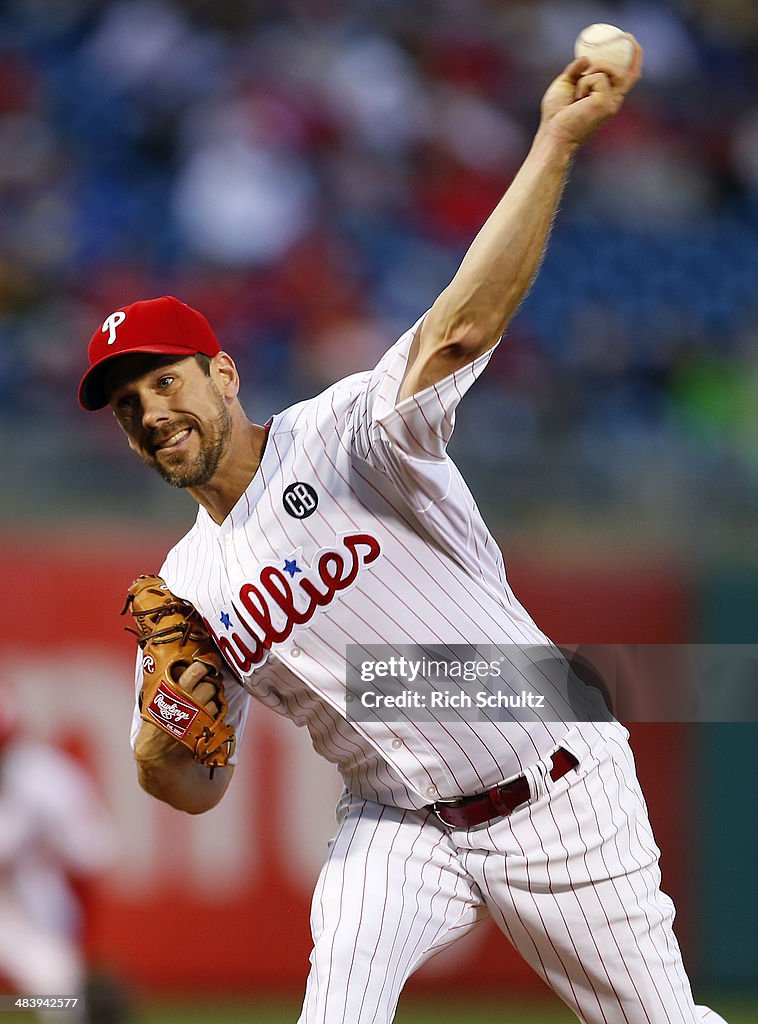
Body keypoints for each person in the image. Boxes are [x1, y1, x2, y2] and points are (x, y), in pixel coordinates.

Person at [78, 44, 727, 1024]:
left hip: (554, 779)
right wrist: (161, 738)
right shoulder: (183, 585)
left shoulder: (341, 433)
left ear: (223, 374)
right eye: (126, 403)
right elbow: (191, 787)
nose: (151, 411)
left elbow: (458, 330)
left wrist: (553, 139)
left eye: (164, 380)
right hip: (393, 819)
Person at [0, 706, 116, 1023]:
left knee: (63, 1002)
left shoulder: (50, 780)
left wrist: (90, 950)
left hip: (31, 919)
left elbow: (87, 864)